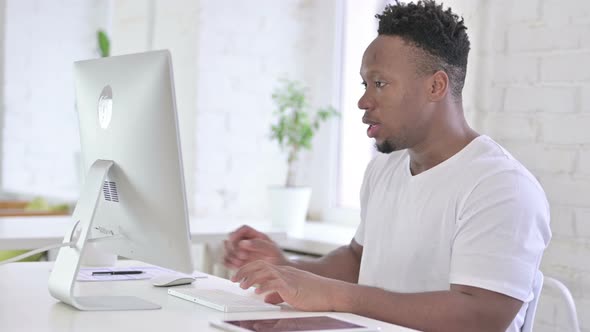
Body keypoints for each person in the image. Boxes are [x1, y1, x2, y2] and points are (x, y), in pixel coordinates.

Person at [223, 1, 551, 331]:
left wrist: (340, 297)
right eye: (364, 84)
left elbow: (480, 317)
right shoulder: (384, 169)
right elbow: (357, 260)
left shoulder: (501, 186)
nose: (364, 101)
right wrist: (286, 269)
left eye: (379, 83)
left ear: (435, 86)